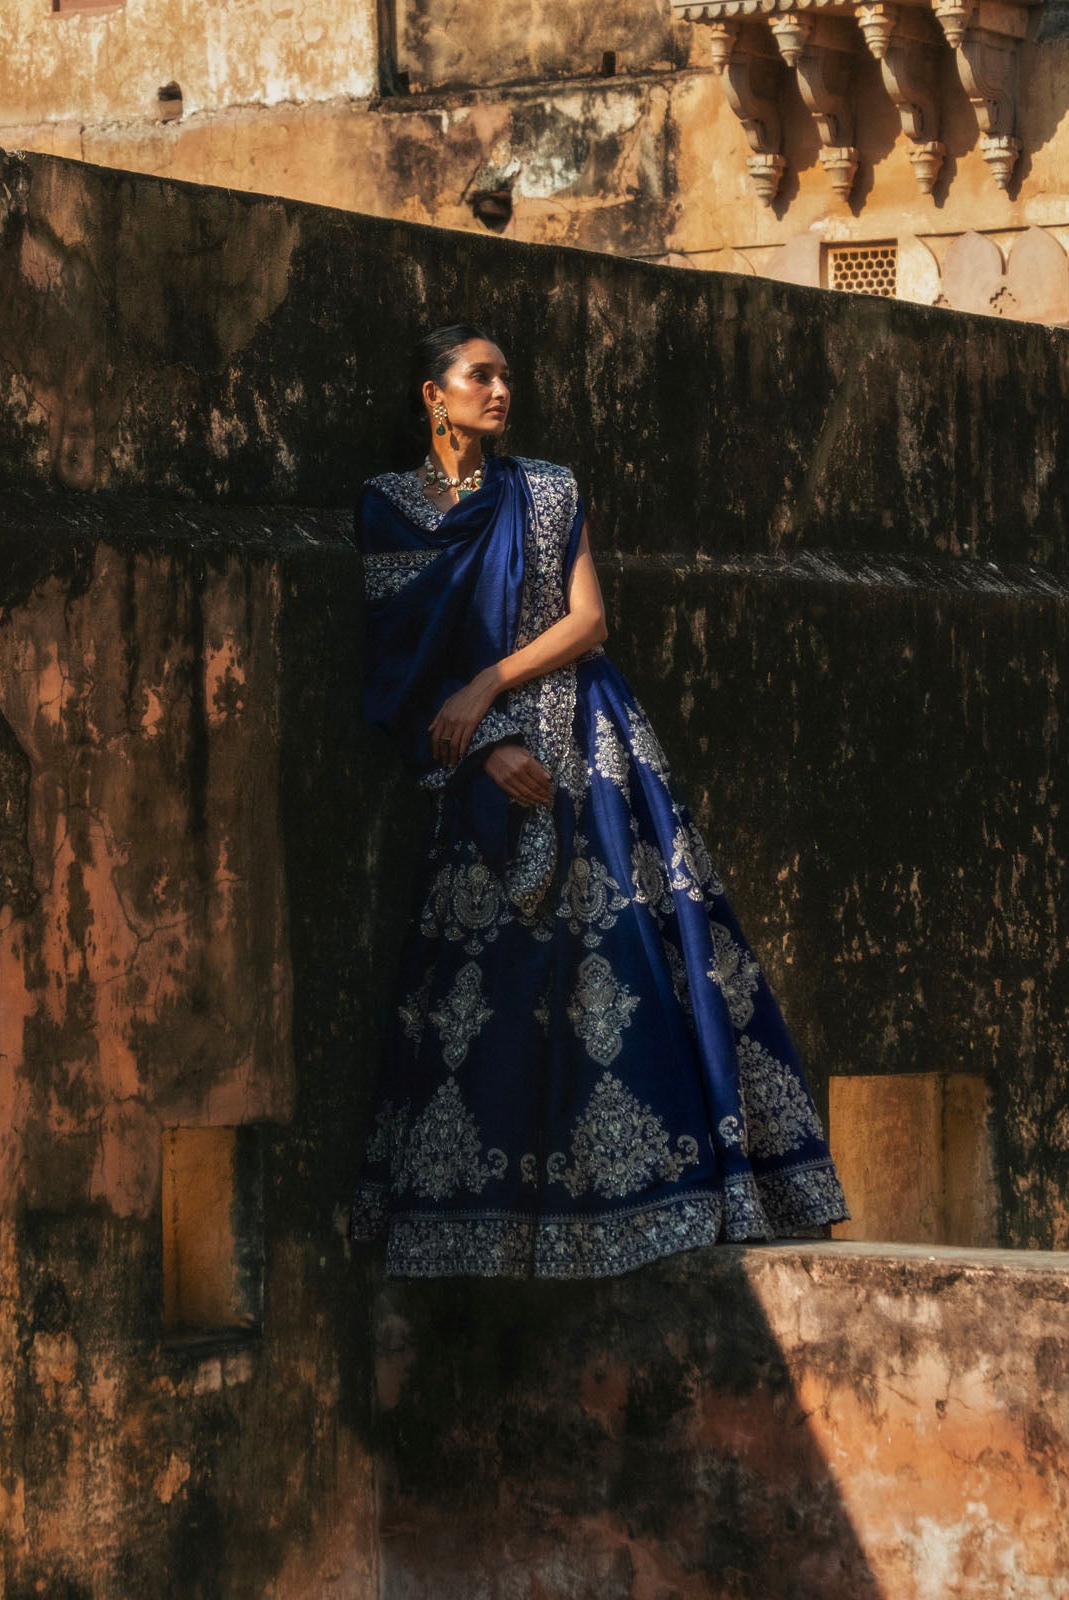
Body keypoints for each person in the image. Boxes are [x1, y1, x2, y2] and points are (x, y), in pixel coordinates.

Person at [348, 322, 849, 1279]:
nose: (500, 391)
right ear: (433, 394)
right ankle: (490, 1220)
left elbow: (589, 621)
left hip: (589, 737)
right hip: (476, 762)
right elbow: (395, 662)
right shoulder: (388, 509)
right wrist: (482, 746)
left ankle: (670, 1193)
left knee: (634, 955)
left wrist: (488, 685)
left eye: (507, 375)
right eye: (480, 376)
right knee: (494, 982)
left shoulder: (547, 488)